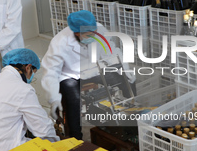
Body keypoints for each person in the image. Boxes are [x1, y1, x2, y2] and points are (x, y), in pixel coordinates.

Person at [41, 10, 135, 140]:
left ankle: (131, 124)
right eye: (88, 34)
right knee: (73, 100)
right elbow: (51, 71)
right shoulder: (60, 42)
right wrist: (53, 98)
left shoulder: (99, 29)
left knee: (126, 81)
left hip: (94, 68)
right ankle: (76, 138)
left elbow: (111, 51)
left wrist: (125, 69)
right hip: (70, 74)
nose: (93, 36)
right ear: (77, 33)